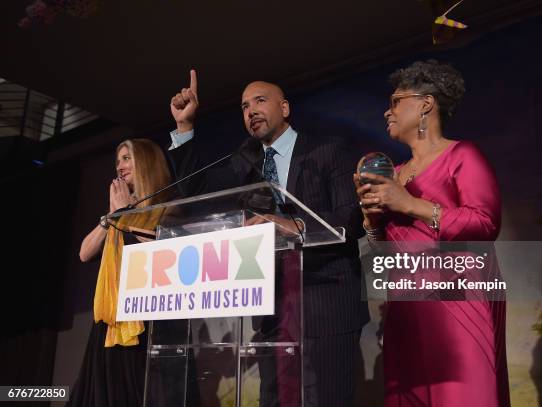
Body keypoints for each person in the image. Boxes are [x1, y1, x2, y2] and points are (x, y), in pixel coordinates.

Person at [167, 70, 368, 406]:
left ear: (285, 108)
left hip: (325, 300)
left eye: (260, 101)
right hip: (272, 305)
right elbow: (194, 189)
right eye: (244, 107)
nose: (251, 111)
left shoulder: (327, 151)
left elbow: (351, 219)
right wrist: (185, 127)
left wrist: (295, 227)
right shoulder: (245, 162)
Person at [355, 60, 510, 406]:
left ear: (426, 104)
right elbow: (384, 253)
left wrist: (410, 204)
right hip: (405, 313)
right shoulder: (394, 173)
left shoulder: (462, 155)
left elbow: (485, 223)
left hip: (456, 309)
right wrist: (372, 220)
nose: (386, 112)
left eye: (395, 102)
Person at [69, 138, 173, 406]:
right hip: (110, 323)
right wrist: (111, 218)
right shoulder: (117, 215)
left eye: (127, 158)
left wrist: (125, 216)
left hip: (145, 323)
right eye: (118, 161)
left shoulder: (166, 209)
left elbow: (161, 250)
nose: (120, 166)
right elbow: (84, 253)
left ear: (147, 162)